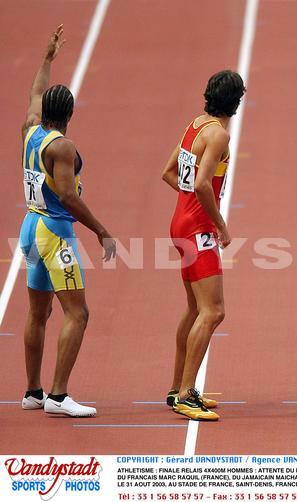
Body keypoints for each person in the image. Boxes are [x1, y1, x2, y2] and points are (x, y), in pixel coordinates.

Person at [19, 25, 116, 417]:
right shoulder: (62, 146)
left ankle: (32, 391)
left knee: (38, 313)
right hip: (55, 235)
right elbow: (68, 196)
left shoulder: (30, 130)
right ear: (71, 114)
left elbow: (34, 94)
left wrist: (47, 58)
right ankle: (58, 397)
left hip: (30, 229)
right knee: (79, 312)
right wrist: (102, 231)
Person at [161, 70, 245, 421]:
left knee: (195, 309)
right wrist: (219, 224)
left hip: (181, 222)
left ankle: (178, 387)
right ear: (236, 102)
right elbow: (202, 184)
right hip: (197, 229)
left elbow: (169, 172)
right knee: (213, 311)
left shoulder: (195, 124)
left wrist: (189, 212)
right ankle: (185, 395)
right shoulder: (219, 135)